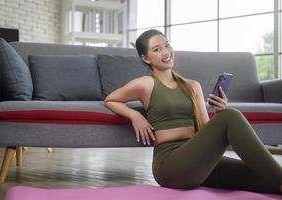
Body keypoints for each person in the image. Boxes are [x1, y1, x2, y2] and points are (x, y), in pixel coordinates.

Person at [103, 29, 282, 194]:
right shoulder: (145, 84)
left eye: (167, 45)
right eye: (157, 49)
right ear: (145, 58)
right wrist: (135, 115)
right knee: (232, 115)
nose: (166, 52)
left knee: (264, 176)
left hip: (199, 160)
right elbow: (110, 99)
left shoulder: (192, 86)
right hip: (171, 165)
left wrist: (219, 112)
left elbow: (204, 128)